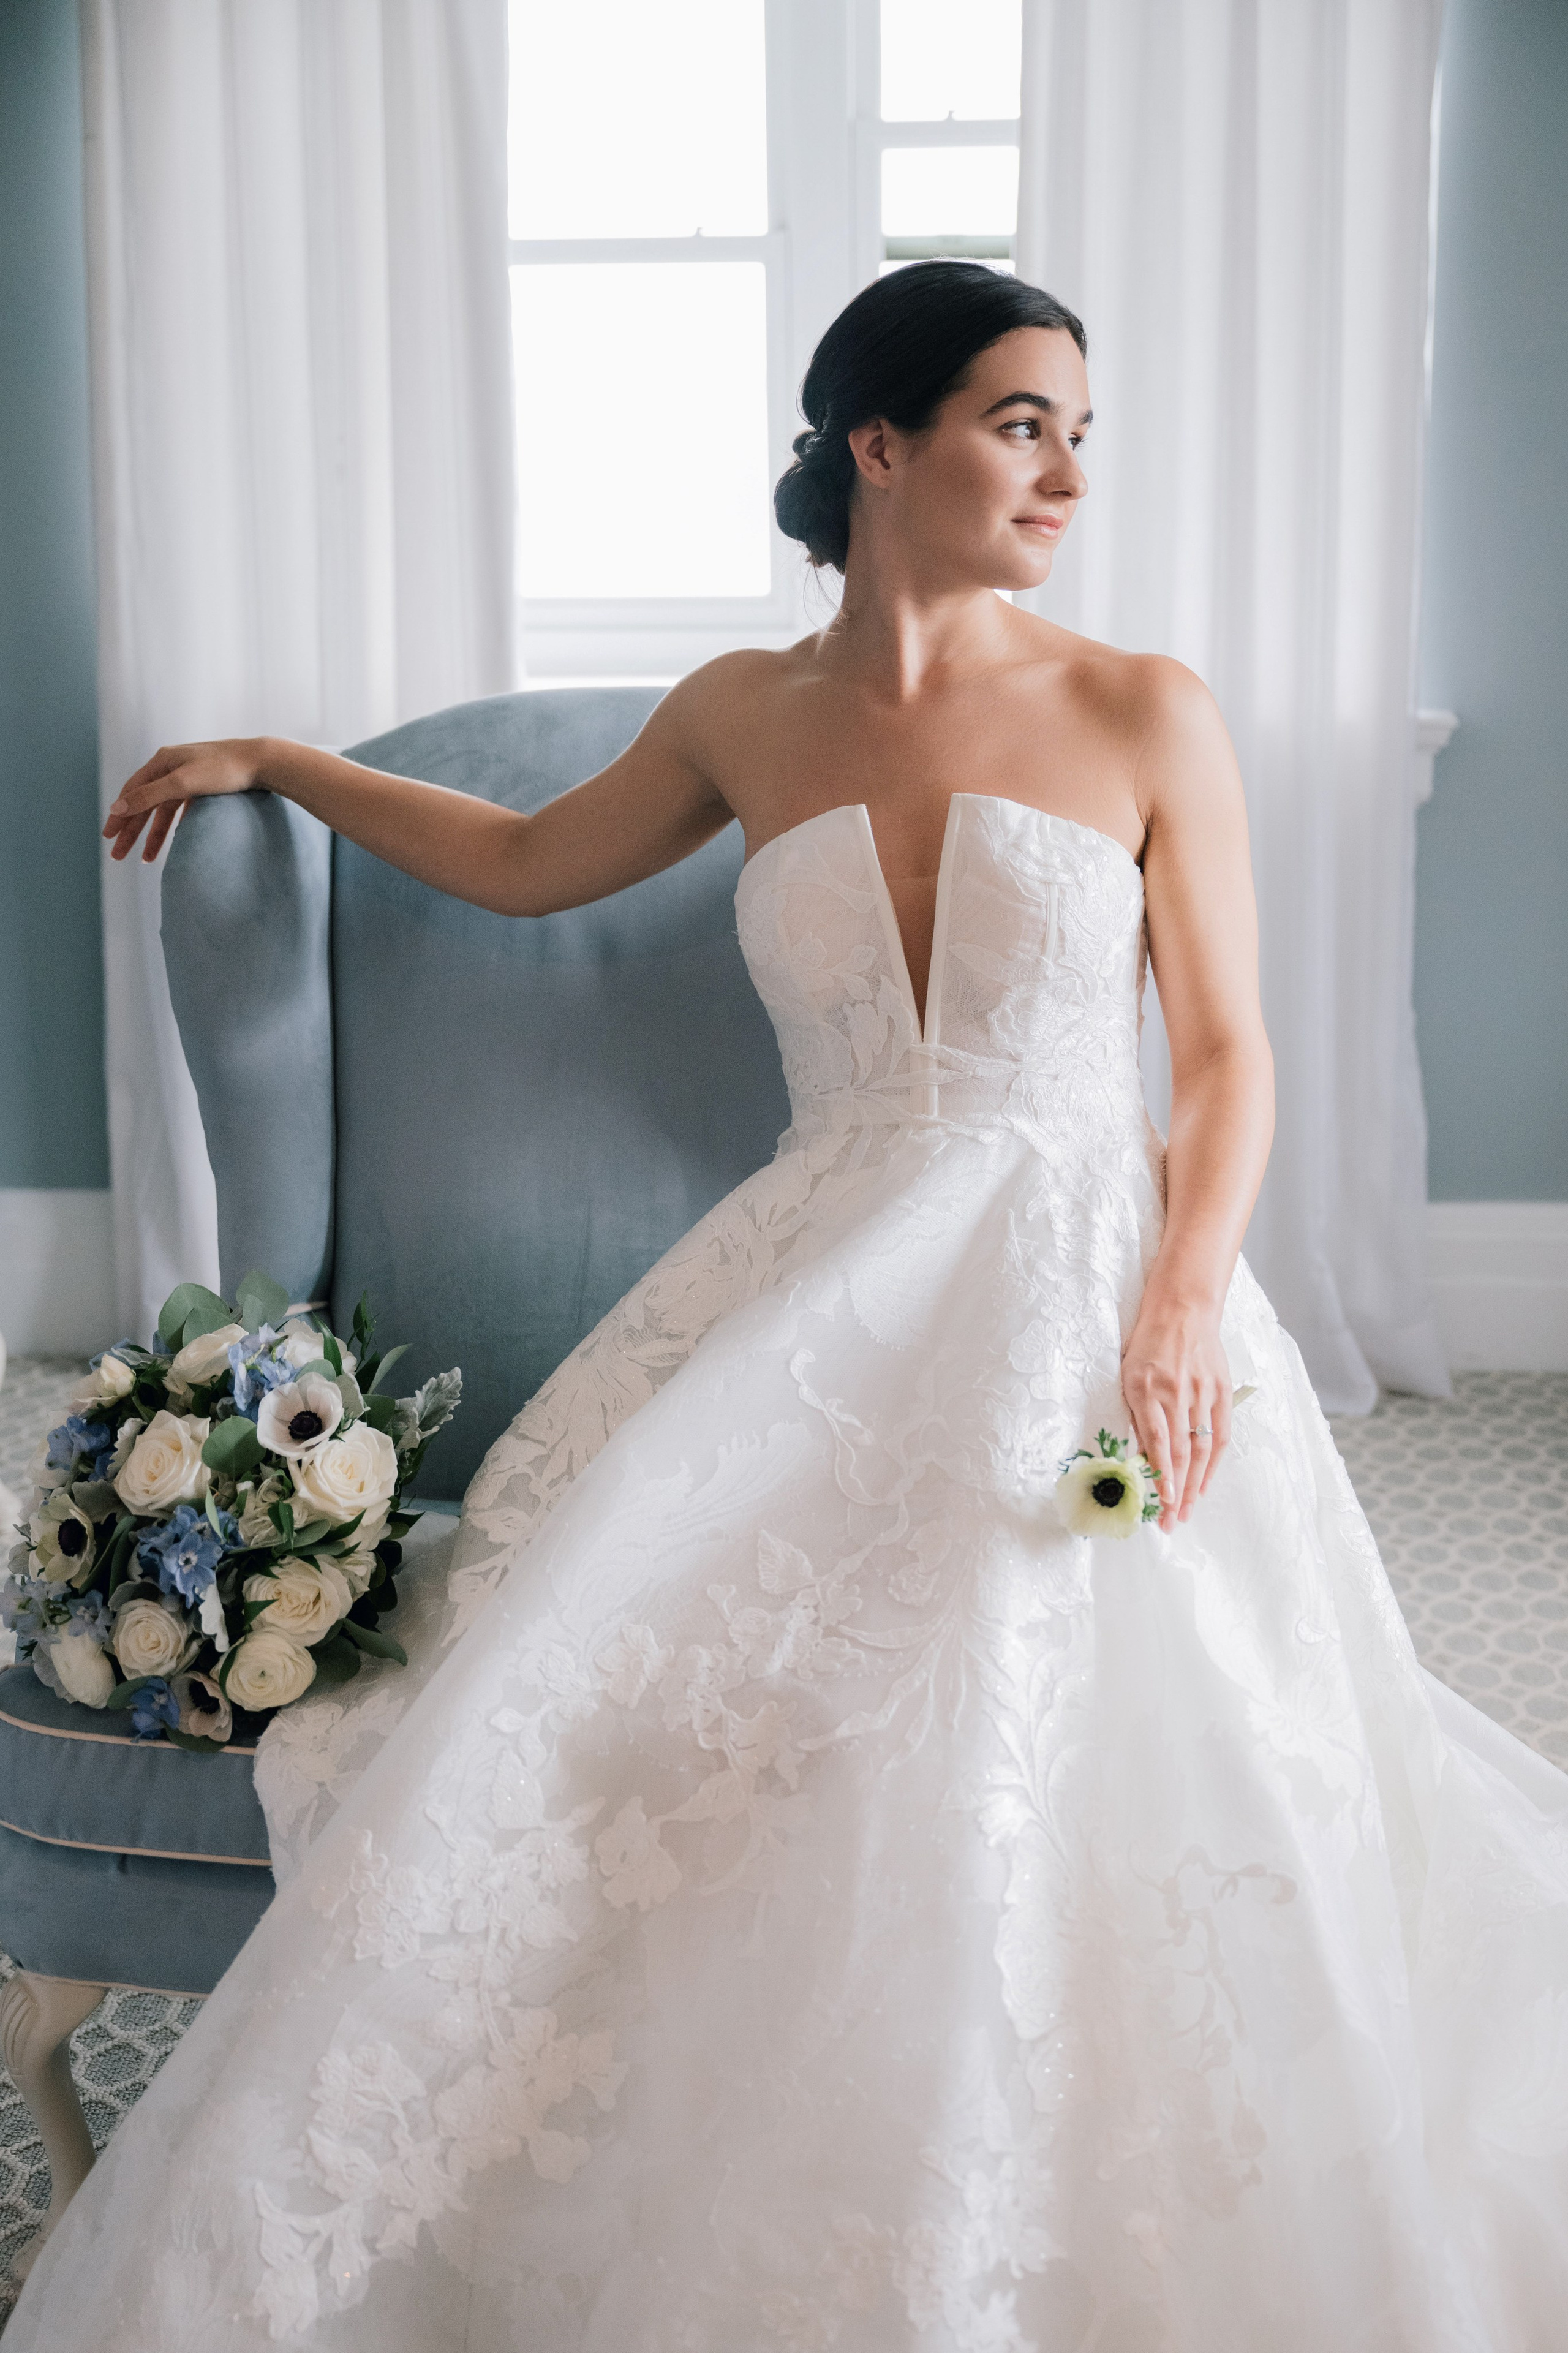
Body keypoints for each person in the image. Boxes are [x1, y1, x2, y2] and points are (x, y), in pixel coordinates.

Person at [12, 262, 1566, 2351]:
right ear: (881, 445)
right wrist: (289, 759)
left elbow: (1229, 1058)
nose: (1069, 474)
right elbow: (523, 855)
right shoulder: (748, 712)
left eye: (1083, 432)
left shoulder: (1140, 705)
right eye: (1026, 423)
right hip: (819, 1266)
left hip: (1081, 1277)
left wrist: (1184, 1299)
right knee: (610, 1709)